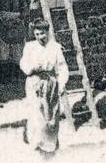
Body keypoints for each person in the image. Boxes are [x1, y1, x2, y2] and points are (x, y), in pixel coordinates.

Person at [19, 18, 71, 155]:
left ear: (47, 32)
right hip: (34, 82)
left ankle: (50, 143)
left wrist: (61, 84)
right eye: (37, 34)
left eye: (42, 33)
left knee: (51, 113)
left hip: (50, 83)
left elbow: (62, 66)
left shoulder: (55, 47)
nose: (40, 37)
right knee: (36, 111)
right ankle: (36, 142)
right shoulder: (29, 47)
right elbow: (23, 64)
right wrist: (31, 68)